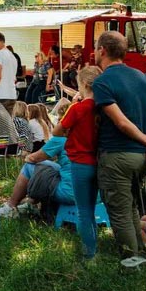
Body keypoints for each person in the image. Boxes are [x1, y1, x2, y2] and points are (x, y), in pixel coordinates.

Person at [93, 31, 146, 259]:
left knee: (120, 211)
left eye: (97, 48)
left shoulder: (102, 81)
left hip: (117, 155)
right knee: (132, 206)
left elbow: (121, 122)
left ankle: (131, 262)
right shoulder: (142, 77)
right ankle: (141, 252)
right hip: (143, 157)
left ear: (102, 51)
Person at [52, 66, 102, 260]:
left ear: (86, 85)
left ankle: (89, 252)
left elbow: (57, 130)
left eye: (79, 85)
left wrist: (69, 129)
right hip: (98, 160)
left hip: (80, 161)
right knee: (93, 205)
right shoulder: (104, 108)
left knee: (83, 210)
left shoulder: (78, 108)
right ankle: (94, 243)